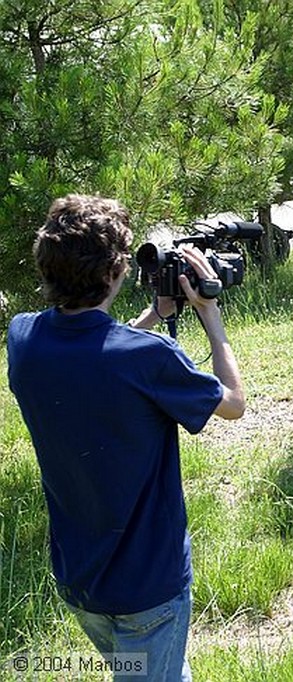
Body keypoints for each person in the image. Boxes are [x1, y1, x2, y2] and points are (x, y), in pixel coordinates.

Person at [7, 195, 246, 681]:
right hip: (147, 585)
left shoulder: (23, 337)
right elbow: (234, 403)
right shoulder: (147, 358)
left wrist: (154, 316)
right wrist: (211, 317)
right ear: (115, 272)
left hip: (80, 575)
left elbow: (96, 354)